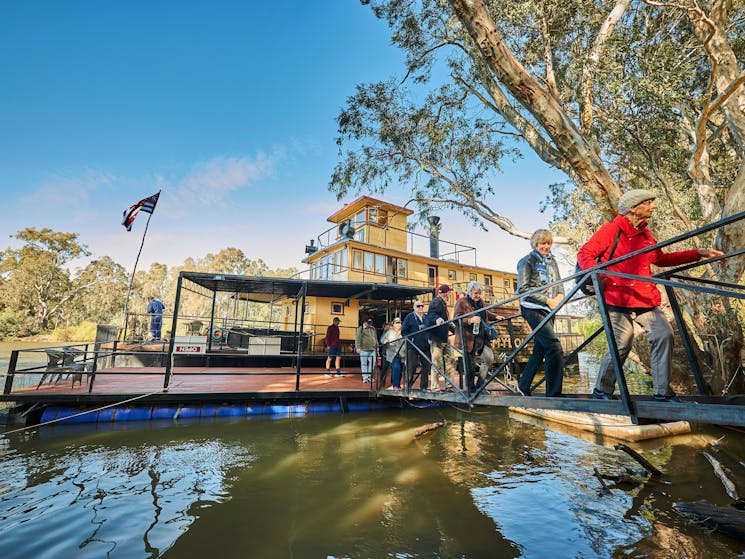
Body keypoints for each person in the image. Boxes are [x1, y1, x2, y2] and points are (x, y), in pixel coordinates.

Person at [578, 189, 724, 402]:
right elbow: (585, 254)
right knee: (622, 342)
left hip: (644, 297)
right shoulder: (611, 230)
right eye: (648, 203)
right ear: (633, 208)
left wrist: (698, 253)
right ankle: (602, 390)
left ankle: (662, 392)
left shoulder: (645, 234)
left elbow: (661, 259)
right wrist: (598, 277)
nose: (653, 206)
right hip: (615, 297)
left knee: (664, 334)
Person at [516, 229, 565, 397]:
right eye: (543, 243)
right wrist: (547, 300)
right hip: (532, 307)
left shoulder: (552, 261)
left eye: (549, 243)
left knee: (540, 349)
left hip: (549, 308)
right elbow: (523, 289)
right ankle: (554, 394)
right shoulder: (527, 261)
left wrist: (560, 295)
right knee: (554, 347)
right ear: (536, 244)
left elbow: (559, 282)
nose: (546, 246)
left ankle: (523, 385)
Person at [453, 281, 498, 393]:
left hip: (481, 336)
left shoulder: (481, 302)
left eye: (479, 293)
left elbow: (485, 313)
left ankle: (480, 386)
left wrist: (496, 316)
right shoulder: (462, 302)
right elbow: (455, 319)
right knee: (470, 366)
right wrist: (469, 320)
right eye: (475, 293)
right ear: (469, 292)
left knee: (488, 359)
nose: (478, 295)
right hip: (467, 338)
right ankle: (471, 391)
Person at [425, 284, 459, 391]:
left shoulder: (443, 304)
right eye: (449, 292)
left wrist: (456, 330)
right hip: (436, 337)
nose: (450, 294)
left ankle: (449, 385)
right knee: (437, 362)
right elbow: (431, 314)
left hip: (444, 336)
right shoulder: (436, 302)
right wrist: (437, 319)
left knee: (450, 359)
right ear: (445, 293)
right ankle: (435, 387)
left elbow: (445, 321)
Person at [401, 299, 431, 391]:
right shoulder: (409, 317)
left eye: (422, 306)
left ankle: (424, 387)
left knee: (426, 366)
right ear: (414, 307)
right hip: (413, 346)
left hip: (425, 346)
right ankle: (407, 386)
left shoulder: (426, 317)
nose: (420, 307)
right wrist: (411, 340)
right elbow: (403, 331)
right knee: (412, 366)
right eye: (418, 306)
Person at [380, 317, 406, 390]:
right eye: (397, 323)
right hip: (393, 353)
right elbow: (382, 340)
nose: (398, 324)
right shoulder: (389, 331)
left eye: (400, 323)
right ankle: (395, 385)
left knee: (400, 370)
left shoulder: (404, 331)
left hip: (402, 353)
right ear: (393, 324)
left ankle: (397, 385)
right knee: (396, 368)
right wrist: (386, 341)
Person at [355, 317, 379, 384]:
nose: (369, 324)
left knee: (372, 363)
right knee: (364, 364)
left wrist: (377, 346)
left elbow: (375, 338)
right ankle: (365, 377)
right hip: (364, 349)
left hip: (372, 349)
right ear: (364, 322)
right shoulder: (361, 329)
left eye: (370, 323)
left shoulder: (373, 329)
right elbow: (358, 338)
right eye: (368, 323)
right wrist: (358, 347)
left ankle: (369, 377)